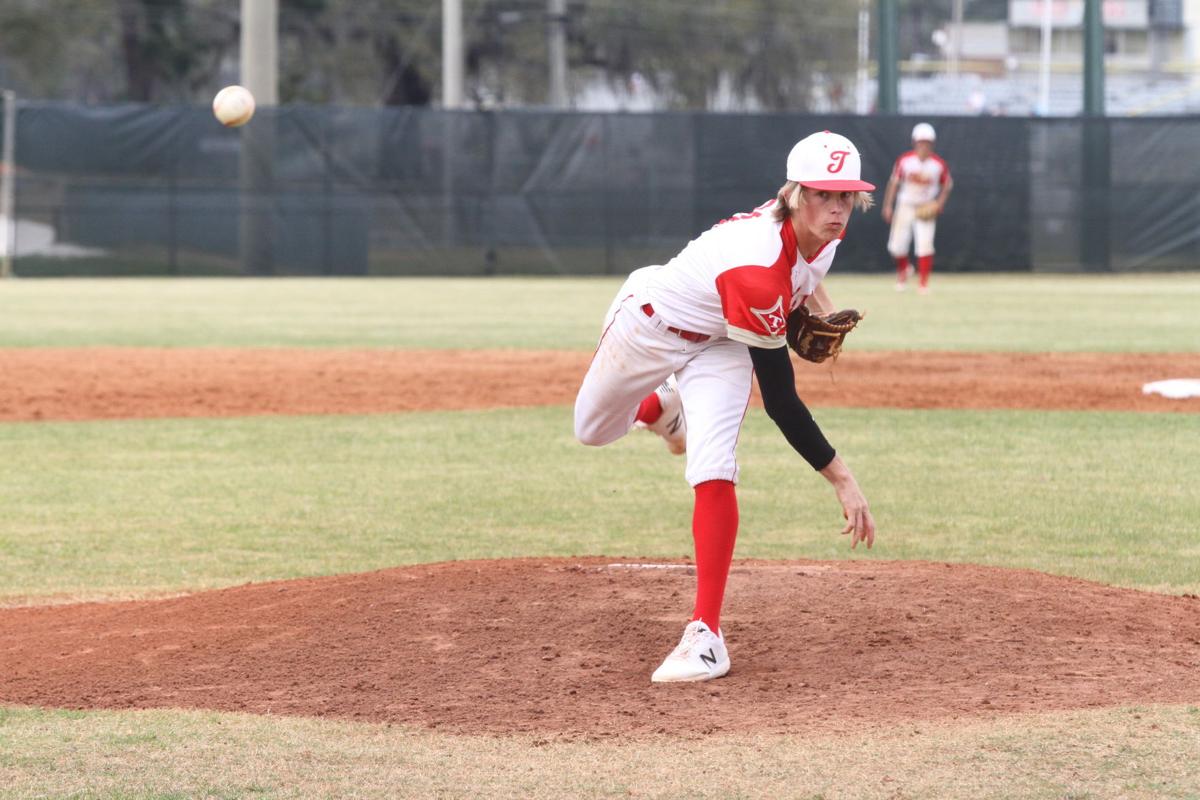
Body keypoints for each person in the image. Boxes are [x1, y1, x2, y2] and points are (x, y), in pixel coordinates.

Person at [573, 130, 877, 683]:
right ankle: (659, 409)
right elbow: (782, 401)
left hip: (721, 344)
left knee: (712, 465)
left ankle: (705, 635)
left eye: (846, 197)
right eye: (823, 195)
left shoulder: (825, 236)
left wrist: (820, 308)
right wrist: (842, 478)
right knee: (591, 430)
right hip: (650, 325)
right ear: (793, 195)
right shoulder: (756, 269)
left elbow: (808, 274)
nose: (837, 209)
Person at [881, 122, 953, 294]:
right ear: (915, 142)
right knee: (897, 245)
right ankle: (904, 270)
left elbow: (947, 185)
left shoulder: (938, 164)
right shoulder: (905, 161)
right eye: (921, 142)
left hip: (925, 206)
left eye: (927, 142)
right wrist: (888, 206)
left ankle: (923, 283)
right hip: (905, 204)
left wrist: (939, 203)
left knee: (925, 244)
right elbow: (894, 184)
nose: (924, 146)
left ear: (932, 144)